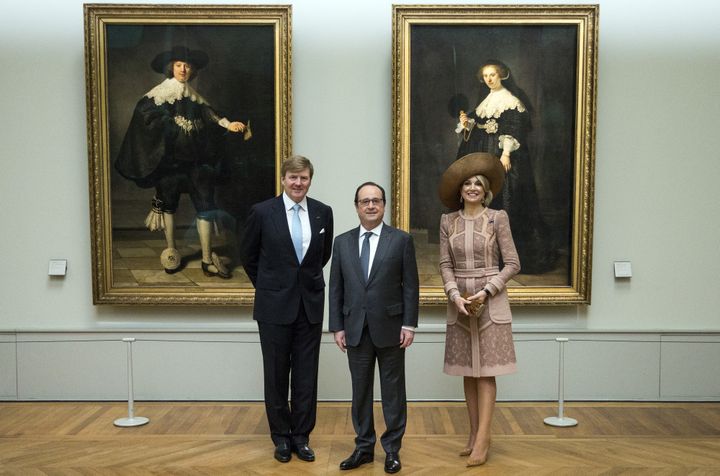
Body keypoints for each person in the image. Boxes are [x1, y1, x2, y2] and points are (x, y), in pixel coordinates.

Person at [115, 45, 248, 278]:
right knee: (168, 203)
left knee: (205, 205)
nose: (183, 69)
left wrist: (229, 124)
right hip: (170, 164)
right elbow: (145, 117)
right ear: (171, 68)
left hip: (196, 163)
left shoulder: (194, 97)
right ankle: (172, 251)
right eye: (178, 65)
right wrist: (169, 126)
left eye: (187, 66)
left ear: (193, 69)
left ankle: (207, 259)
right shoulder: (160, 93)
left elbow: (211, 115)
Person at [240, 155, 333, 464]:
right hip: (273, 308)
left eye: (304, 178)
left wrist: (299, 286)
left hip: (310, 307)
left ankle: (302, 437)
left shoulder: (322, 213)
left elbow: (321, 256)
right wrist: (272, 286)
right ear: (283, 179)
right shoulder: (262, 212)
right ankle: (281, 438)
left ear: (310, 180)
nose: (298, 183)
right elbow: (248, 257)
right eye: (292, 177)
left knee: (307, 376)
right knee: (277, 375)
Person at [329, 182, 419, 474]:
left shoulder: (401, 240)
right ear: (356, 206)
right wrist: (337, 327)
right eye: (364, 201)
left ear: (383, 205)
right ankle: (364, 448)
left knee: (393, 392)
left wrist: (409, 324)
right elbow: (336, 288)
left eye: (376, 201)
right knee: (360, 392)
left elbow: (411, 287)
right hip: (354, 328)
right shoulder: (342, 242)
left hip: (392, 328)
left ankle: (392, 450)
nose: (370, 205)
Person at [437, 152, 520, 467]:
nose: (472, 188)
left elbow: (512, 263)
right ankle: (473, 436)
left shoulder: (497, 218)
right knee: (468, 374)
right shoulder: (448, 221)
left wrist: (487, 291)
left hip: (491, 301)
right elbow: (445, 264)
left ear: (486, 190)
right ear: (460, 190)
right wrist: (455, 295)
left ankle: (484, 440)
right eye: (467, 183)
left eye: (478, 183)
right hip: (459, 304)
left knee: (485, 374)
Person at [455, 59, 556, 274]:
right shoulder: (485, 101)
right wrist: (467, 123)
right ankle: (483, 255)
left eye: (492, 74)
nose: (489, 79)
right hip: (484, 156)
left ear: (501, 75)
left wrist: (507, 153)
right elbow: (479, 125)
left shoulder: (511, 101)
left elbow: (515, 128)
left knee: (505, 198)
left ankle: (506, 258)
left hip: (502, 157)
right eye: (485, 76)